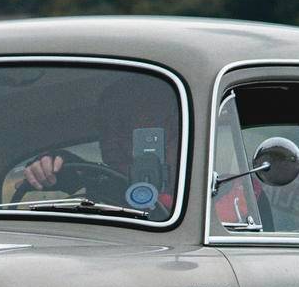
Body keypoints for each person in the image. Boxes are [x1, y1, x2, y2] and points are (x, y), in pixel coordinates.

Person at [11, 74, 181, 203]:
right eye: (104, 130)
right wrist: (53, 167)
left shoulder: (203, 191)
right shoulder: (106, 189)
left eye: (124, 127)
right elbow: (84, 176)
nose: (110, 142)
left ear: (172, 130)